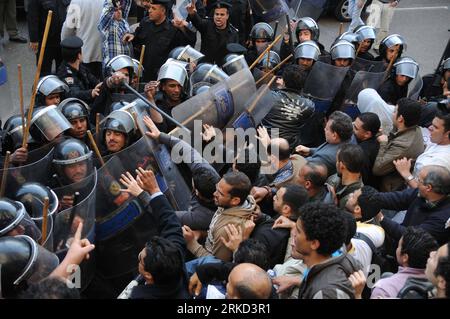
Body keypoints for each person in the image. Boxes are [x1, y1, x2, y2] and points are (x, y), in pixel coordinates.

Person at [120, 169, 189, 299]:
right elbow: (170, 222)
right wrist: (154, 190)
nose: (142, 250)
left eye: (140, 260)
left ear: (148, 275)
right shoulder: (176, 256)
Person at [143, 116, 220, 231]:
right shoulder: (208, 172)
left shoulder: (201, 218)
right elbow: (185, 148)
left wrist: (144, 193)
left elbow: (166, 215)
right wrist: (160, 136)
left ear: (197, 191)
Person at [358, 165, 450, 246]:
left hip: (412, 257)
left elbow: (411, 236)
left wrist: (381, 218)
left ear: (428, 187)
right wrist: (368, 197)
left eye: (419, 180)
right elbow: (397, 199)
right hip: (398, 242)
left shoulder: (442, 218)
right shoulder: (420, 194)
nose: (416, 183)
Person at [183, 171, 257, 263]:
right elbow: (214, 235)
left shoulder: (228, 229)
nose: (214, 194)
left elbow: (217, 265)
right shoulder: (230, 204)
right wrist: (201, 233)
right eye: (216, 189)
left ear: (235, 200)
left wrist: (192, 244)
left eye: (220, 193)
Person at [293, 202, 362, 299]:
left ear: (314, 244)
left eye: (298, 231)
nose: (294, 234)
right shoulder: (338, 258)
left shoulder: (327, 293)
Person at [125, 0, 195, 82]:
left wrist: (183, 27)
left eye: (153, 8)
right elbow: (138, 37)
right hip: (144, 74)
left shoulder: (172, 29)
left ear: (163, 11)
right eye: (150, 7)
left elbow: (187, 45)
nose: (149, 10)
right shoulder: (145, 23)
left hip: (161, 77)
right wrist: (132, 35)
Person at [372, 98, 424, 192]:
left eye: (395, 111)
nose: (392, 113)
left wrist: (383, 143)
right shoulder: (415, 129)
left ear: (400, 119)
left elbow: (377, 169)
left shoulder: (403, 145)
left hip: (388, 189)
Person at [371, 227, 438, 298]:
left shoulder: (384, 289)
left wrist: (358, 294)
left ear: (405, 257)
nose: (397, 249)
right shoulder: (440, 280)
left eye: (399, 246)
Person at [262, 64, 315, 147]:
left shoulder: (269, 96)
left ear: (284, 81)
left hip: (266, 141)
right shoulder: (309, 106)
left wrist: (279, 89)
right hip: (289, 146)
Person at [394, 112, 450, 187]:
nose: (430, 128)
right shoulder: (437, 141)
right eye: (431, 124)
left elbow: (427, 192)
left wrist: (405, 173)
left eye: (435, 127)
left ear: (447, 134)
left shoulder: (441, 161)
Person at [295, 111, 354, 176]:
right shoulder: (348, 138)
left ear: (334, 135)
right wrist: (310, 150)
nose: (324, 129)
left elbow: (301, 166)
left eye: (327, 128)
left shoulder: (326, 157)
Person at [186, 0, 239, 65]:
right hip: (204, 67)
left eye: (222, 15)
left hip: (221, 71)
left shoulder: (233, 33)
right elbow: (198, 22)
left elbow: (234, 55)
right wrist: (192, 13)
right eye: (216, 14)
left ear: (227, 16)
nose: (218, 17)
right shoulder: (207, 25)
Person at [61, 0, 103, 79]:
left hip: (84, 53)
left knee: (86, 86)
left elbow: (68, 29)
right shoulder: (109, 1)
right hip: (105, 54)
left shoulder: (77, 2)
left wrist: (66, 48)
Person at [144, 60, 189, 132]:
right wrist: (150, 99)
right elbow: (160, 128)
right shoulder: (159, 104)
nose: (177, 90)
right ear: (163, 87)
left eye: (179, 86)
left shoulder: (188, 101)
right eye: (172, 86)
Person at [56, 36, 101, 105]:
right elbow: (73, 93)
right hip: (74, 109)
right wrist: (91, 93)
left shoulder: (81, 68)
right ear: (79, 55)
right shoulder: (65, 73)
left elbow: (94, 80)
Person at [27, 0, 67, 75]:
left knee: (62, 71)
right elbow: (32, 17)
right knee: (44, 71)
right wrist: (34, 39)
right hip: (45, 41)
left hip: (62, 39)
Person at [327, 144, 365, 209]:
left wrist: (332, 205)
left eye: (337, 161)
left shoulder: (351, 202)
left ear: (342, 166)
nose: (336, 163)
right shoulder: (335, 179)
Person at [98, 0, 133, 70]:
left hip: (126, 65)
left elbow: (127, 4)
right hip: (112, 67)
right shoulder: (106, 25)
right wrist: (112, 3)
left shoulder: (123, 21)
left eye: (120, 9)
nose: (119, 11)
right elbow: (108, 9)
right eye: (116, 10)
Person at [353, 112, 381, 187]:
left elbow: (361, 179)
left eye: (356, 128)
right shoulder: (378, 142)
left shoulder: (362, 152)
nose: (353, 130)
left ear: (367, 134)